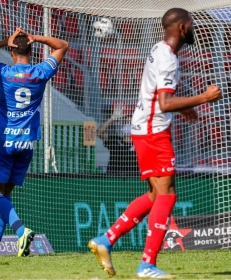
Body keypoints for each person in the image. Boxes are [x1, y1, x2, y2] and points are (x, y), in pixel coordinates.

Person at [88, 8, 222, 278]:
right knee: (168, 194)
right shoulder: (169, 59)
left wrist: (182, 106)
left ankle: (106, 240)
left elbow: (161, 92)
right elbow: (164, 102)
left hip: (145, 128)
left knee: (154, 195)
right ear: (183, 28)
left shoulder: (160, 49)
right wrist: (203, 98)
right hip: (153, 132)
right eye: (192, 24)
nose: (194, 28)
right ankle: (147, 264)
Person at [0, 27, 68, 258]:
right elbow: (62, 46)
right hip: (27, 144)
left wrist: (3, 42)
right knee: (4, 196)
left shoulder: (5, 72)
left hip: (3, 141)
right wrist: (36, 37)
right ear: (32, 48)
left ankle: (21, 230)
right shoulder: (41, 71)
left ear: (12, 51)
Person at [96, 104, 139, 177]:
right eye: (126, 123)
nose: (128, 126)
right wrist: (112, 119)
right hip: (113, 180)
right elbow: (99, 132)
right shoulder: (115, 140)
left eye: (130, 123)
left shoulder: (139, 144)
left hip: (132, 181)